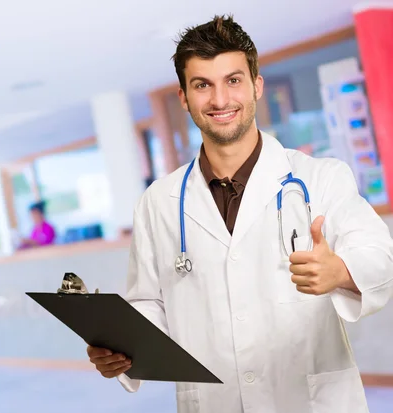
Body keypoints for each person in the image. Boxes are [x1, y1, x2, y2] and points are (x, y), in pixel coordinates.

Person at [86, 15, 393, 413]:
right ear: (183, 96)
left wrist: (341, 271)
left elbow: (380, 255)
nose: (219, 100)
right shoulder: (158, 202)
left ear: (256, 86)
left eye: (233, 80)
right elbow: (149, 302)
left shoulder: (321, 178)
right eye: (202, 85)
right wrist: (121, 352)